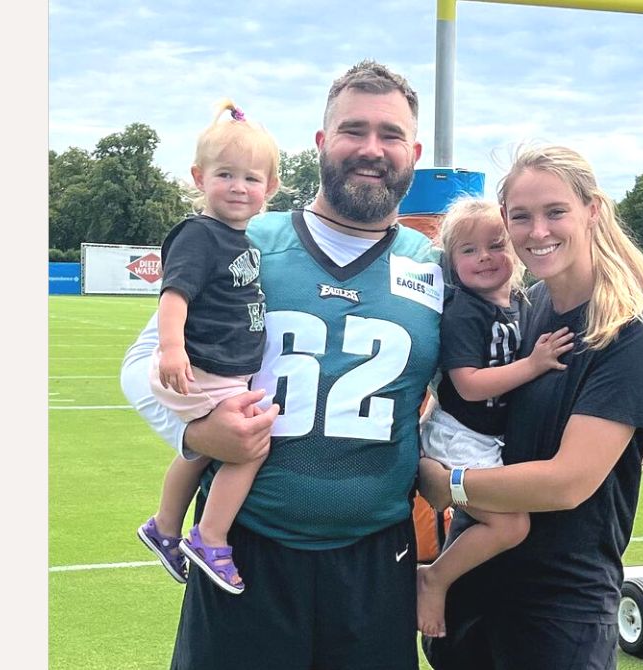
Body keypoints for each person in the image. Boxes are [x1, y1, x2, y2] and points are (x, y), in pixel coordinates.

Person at [120, 60, 440, 669]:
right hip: (249, 547)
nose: (372, 149)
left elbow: (468, 392)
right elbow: (141, 363)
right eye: (354, 130)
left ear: (413, 152)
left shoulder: (432, 265)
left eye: (390, 135)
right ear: (321, 143)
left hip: (377, 559)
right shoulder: (246, 240)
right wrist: (194, 430)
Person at [419, 145, 643, 670]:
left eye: (555, 212)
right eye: (521, 216)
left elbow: (567, 483)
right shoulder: (529, 304)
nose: (537, 231)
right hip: (478, 575)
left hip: (559, 602)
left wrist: (445, 483)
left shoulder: (634, 330)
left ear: (593, 209)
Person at [133, 99, 280, 594]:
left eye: (250, 178)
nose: (238, 187)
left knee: (197, 453)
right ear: (199, 177)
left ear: (270, 189)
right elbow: (174, 295)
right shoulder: (199, 235)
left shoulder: (243, 241)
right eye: (225, 175)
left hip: (222, 370)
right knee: (249, 448)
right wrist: (172, 349)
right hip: (200, 368)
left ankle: (163, 527)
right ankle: (209, 535)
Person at [414, 198, 574, 638]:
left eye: (495, 244)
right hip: (460, 434)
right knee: (511, 523)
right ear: (451, 262)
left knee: (516, 518)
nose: (483, 257)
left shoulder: (522, 303)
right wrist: (534, 364)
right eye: (468, 250)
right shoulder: (465, 310)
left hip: (491, 438)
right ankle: (434, 577)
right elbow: (468, 384)